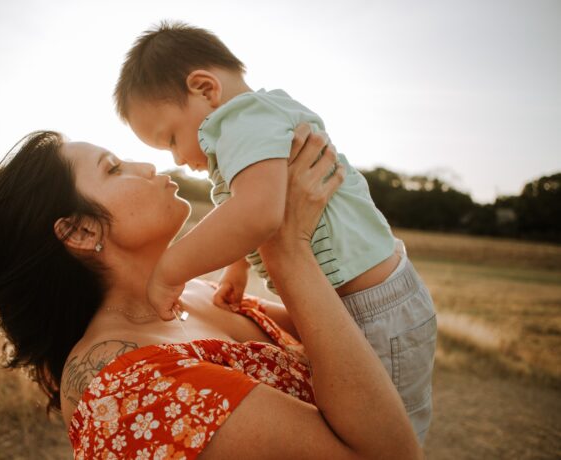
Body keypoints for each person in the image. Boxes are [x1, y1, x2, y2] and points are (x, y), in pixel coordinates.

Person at [0, 125, 423, 458]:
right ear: (82, 231)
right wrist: (286, 249)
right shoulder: (124, 385)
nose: (146, 165)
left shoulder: (201, 294)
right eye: (113, 168)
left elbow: (355, 340)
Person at [114, 21, 437, 441]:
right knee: (357, 422)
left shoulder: (244, 121)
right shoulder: (250, 129)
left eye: (172, 138)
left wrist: (170, 270)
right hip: (360, 302)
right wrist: (237, 270)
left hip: (375, 308)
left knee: (389, 434)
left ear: (205, 89)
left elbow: (257, 213)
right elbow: (246, 208)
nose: (177, 157)